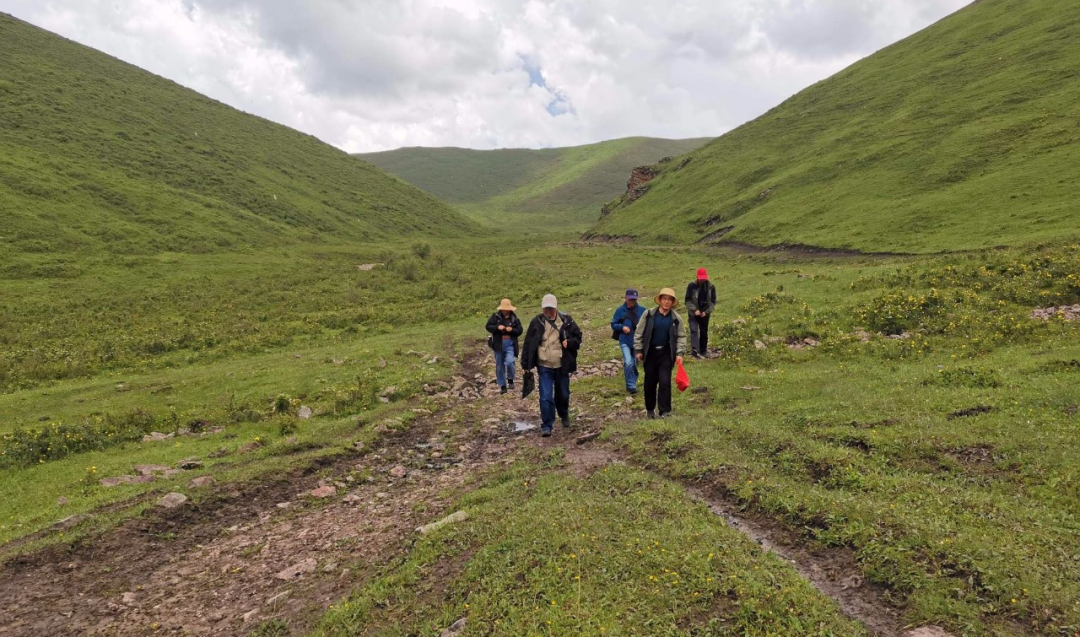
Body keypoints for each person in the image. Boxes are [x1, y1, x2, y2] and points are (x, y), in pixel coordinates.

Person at [521, 294, 583, 437]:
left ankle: (564, 413)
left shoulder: (566, 320)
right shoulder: (536, 322)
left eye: (550, 308)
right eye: (546, 308)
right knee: (545, 396)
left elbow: (578, 337)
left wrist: (570, 343)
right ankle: (547, 424)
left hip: (562, 365)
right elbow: (528, 343)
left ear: (555, 307)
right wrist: (526, 364)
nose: (548, 311)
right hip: (544, 365)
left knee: (563, 393)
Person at [634, 288, 687, 419]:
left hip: (666, 353)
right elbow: (639, 333)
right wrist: (638, 349)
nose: (666, 302)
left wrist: (680, 353)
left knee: (665, 382)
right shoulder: (649, 315)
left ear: (672, 302)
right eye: (664, 299)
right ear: (660, 300)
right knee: (650, 382)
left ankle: (665, 411)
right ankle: (650, 409)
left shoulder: (676, 318)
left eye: (669, 299)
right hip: (650, 353)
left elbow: (681, 336)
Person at [610, 289, 645, 394]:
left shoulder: (642, 310)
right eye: (630, 299)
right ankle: (631, 386)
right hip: (625, 340)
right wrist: (622, 327)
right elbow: (613, 324)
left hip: (638, 342)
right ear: (625, 298)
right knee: (628, 362)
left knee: (634, 363)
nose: (632, 302)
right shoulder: (620, 310)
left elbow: (648, 323)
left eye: (634, 300)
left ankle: (632, 383)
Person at [485, 298, 523, 395]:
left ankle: (510, 378)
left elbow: (519, 330)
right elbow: (488, 326)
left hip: (510, 343)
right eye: (504, 309)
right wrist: (497, 327)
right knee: (499, 365)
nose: (505, 310)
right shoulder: (495, 317)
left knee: (510, 362)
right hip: (498, 343)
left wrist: (512, 330)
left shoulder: (514, 319)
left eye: (507, 309)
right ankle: (502, 385)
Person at [684, 268, 717, 359]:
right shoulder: (691, 286)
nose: (702, 280)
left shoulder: (711, 287)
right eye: (700, 278)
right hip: (693, 313)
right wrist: (695, 310)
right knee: (694, 330)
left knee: (704, 331)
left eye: (704, 278)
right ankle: (695, 351)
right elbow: (687, 301)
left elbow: (713, 302)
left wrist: (706, 312)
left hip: (705, 313)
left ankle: (703, 350)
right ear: (697, 277)